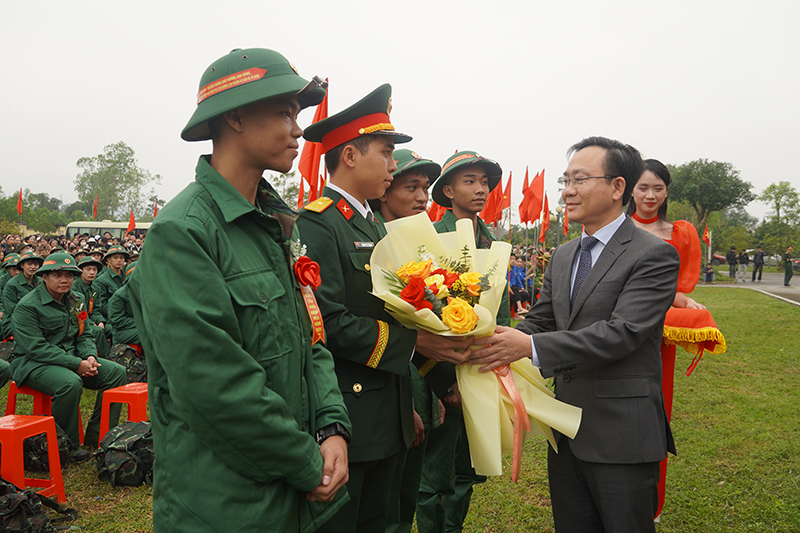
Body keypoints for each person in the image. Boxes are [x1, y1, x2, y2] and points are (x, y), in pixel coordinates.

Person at [127, 48, 351, 532]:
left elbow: (311, 337)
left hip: (292, 493)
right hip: (224, 503)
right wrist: (305, 462)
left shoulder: (276, 226)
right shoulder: (183, 232)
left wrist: (332, 426)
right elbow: (214, 386)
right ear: (234, 117)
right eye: (284, 112)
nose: (298, 129)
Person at [470, 137, 679, 532]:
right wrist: (488, 337)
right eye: (565, 181)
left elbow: (621, 333)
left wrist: (527, 346)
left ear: (618, 188)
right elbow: (542, 321)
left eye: (579, 180)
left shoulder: (653, 255)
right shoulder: (564, 255)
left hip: (622, 435)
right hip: (566, 431)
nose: (567, 191)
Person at [296, 85, 470, 533]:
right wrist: (417, 342)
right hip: (348, 417)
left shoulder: (373, 223)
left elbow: (394, 312)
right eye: (388, 152)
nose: (394, 164)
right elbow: (327, 322)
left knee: (385, 521)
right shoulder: (318, 222)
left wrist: (404, 406)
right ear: (351, 156)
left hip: (387, 412)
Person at [626, 158, 726, 518]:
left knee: (655, 411)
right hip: (615, 330)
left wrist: (683, 300)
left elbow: (680, 288)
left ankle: (650, 502)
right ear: (628, 189)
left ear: (667, 191)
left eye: (658, 187)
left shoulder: (681, 232)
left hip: (658, 339)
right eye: (643, 187)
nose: (650, 195)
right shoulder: (614, 227)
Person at [419, 150, 511, 533]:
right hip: (439, 375)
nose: (480, 189)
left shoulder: (492, 239)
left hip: (482, 370)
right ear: (448, 191)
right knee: (435, 476)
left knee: (469, 469)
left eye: (485, 182)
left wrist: (499, 364)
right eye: (470, 181)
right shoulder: (428, 236)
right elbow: (419, 310)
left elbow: (501, 307)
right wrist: (444, 380)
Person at [371, 148, 450, 533]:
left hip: (419, 389)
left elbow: (428, 336)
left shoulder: (421, 249)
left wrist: (441, 387)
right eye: (411, 186)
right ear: (384, 189)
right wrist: (406, 408)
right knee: (384, 507)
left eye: (426, 188)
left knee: (407, 500)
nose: (423, 197)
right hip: (384, 395)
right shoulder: (369, 246)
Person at [9, 252, 127, 454]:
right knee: (69, 383)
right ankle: (66, 446)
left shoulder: (76, 299)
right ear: (44, 277)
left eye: (69, 275)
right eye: (57, 275)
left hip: (70, 358)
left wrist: (89, 356)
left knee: (117, 373)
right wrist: (75, 364)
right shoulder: (28, 306)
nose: (64, 280)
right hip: (33, 363)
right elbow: (36, 348)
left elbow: (84, 333)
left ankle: (98, 436)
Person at [1, 251, 44, 339]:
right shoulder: (12, 285)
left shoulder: (41, 282)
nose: (33, 267)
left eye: (36, 264)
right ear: (22, 265)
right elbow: (12, 310)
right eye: (29, 264)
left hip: (40, 319)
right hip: (17, 322)